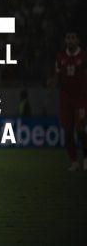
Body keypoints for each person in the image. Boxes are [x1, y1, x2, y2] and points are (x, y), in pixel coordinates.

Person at [54, 31, 87, 171]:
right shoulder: (60, 57)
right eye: (68, 38)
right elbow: (57, 76)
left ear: (78, 40)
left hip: (80, 99)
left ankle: (86, 158)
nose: (70, 40)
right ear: (65, 40)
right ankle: (74, 161)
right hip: (65, 99)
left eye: (73, 37)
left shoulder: (84, 56)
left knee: (80, 130)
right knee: (68, 131)